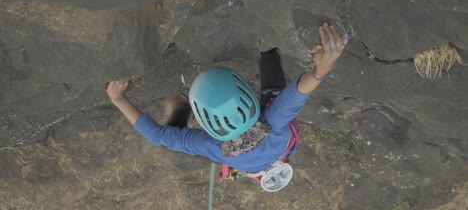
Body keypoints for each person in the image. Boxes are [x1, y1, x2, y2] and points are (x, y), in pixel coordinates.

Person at [106, 23, 345, 191]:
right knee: (178, 140)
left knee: (272, 74)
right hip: (248, 162)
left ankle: (267, 52)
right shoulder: (214, 146)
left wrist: (320, 70)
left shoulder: (275, 123)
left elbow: (296, 96)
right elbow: (159, 137)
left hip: (274, 154)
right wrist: (119, 99)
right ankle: (180, 107)